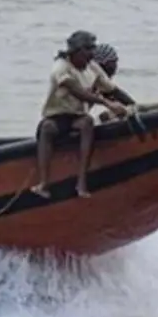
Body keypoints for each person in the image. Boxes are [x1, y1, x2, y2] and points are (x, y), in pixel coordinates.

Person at [32, 31, 129, 199]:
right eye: (88, 49)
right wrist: (107, 104)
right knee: (46, 128)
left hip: (77, 117)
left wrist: (131, 105)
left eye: (93, 49)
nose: (91, 54)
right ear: (76, 51)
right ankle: (44, 183)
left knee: (87, 123)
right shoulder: (61, 68)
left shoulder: (92, 67)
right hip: (56, 117)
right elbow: (78, 92)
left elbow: (112, 89)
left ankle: (81, 183)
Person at [91, 43, 136, 111]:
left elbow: (126, 103)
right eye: (113, 62)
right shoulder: (96, 79)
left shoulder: (99, 86)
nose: (115, 68)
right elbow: (118, 94)